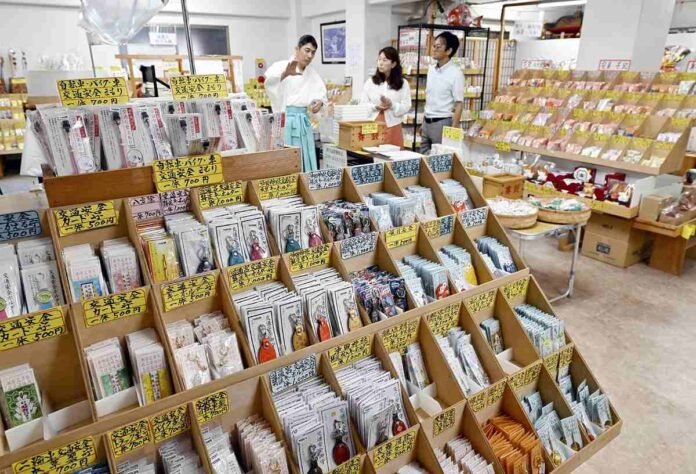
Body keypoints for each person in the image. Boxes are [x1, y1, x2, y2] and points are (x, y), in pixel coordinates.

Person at [265, 35, 327, 171]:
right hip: (286, 120)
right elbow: (269, 84)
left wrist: (319, 103)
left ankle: (307, 184)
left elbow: (322, 96)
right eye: (307, 50)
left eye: (313, 52)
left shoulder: (313, 74)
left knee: (306, 156)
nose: (310, 55)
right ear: (297, 49)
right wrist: (284, 75)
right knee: (287, 159)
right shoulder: (281, 66)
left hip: (304, 122)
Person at [420, 31, 465, 153]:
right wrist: (423, 122)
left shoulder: (456, 73)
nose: (434, 49)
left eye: (438, 47)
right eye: (434, 46)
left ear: (449, 51)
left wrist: (452, 129)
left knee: (439, 160)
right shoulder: (431, 70)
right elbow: (429, 97)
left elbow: (459, 104)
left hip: (442, 122)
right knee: (423, 158)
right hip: (427, 121)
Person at [359, 47, 411, 148]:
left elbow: (406, 106)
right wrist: (375, 107)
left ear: (394, 64)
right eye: (379, 59)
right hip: (372, 126)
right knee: (372, 156)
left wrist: (392, 105)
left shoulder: (403, 83)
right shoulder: (370, 82)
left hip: (393, 126)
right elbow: (362, 104)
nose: (380, 63)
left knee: (393, 159)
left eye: (384, 60)